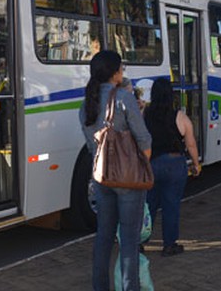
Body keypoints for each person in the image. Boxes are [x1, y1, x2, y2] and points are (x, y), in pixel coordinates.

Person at [79, 50, 152, 291]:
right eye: (121, 68)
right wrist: (142, 162)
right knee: (129, 241)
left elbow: (91, 146)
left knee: (104, 237)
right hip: (128, 180)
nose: (123, 72)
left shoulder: (86, 104)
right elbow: (144, 140)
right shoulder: (123, 97)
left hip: (102, 178)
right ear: (114, 72)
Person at [144, 78, 201, 256]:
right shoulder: (180, 116)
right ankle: (169, 245)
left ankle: (140, 241)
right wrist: (196, 164)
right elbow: (191, 144)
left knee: (148, 205)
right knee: (171, 206)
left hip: (151, 164)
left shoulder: (144, 114)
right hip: (175, 164)